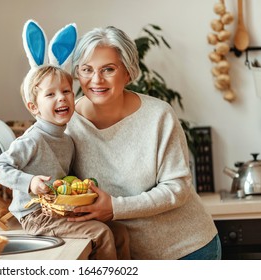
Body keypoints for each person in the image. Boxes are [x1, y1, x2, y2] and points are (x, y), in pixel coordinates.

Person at [66, 25, 221, 260]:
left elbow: (177, 188)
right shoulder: (67, 122)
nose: (96, 79)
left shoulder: (159, 115)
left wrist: (115, 208)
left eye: (108, 69)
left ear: (128, 73)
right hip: (127, 255)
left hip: (188, 249)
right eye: (87, 70)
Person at [0, 20, 130, 260]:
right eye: (50, 94)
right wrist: (30, 182)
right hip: (36, 216)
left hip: (60, 210)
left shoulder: (67, 139)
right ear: (34, 106)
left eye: (66, 91)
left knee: (120, 231)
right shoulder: (32, 139)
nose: (62, 99)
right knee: (101, 233)